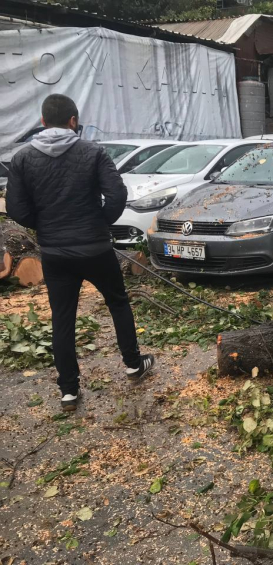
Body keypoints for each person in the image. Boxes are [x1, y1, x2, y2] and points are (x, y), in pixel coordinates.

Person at [6, 94, 155, 412]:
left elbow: (16, 208)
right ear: (73, 121)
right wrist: (99, 222)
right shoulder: (93, 152)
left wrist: (45, 227)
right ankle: (133, 364)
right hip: (95, 248)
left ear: (43, 122)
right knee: (117, 302)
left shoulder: (22, 159)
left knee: (62, 319)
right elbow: (117, 194)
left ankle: (69, 391)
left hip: (56, 254)